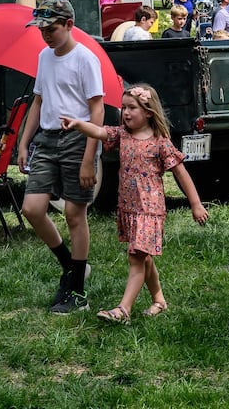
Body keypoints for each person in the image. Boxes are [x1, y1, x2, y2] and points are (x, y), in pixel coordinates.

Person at [61, 84, 209, 322]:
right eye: (123, 108)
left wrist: (196, 204)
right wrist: (79, 124)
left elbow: (181, 173)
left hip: (150, 211)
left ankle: (123, 310)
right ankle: (159, 300)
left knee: (136, 258)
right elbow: (99, 132)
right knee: (144, 257)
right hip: (129, 209)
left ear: (148, 111)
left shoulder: (160, 142)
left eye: (132, 108)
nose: (125, 113)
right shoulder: (123, 135)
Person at [16, 0, 104, 314]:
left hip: (77, 140)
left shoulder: (85, 59)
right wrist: (24, 143)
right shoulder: (44, 56)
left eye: (51, 28)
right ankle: (72, 265)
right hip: (47, 139)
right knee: (32, 208)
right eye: (41, 29)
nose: (46, 35)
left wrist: (88, 158)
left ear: (69, 25)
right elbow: (38, 102)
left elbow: (97, 110)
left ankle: (77, 293)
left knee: (73, 215)